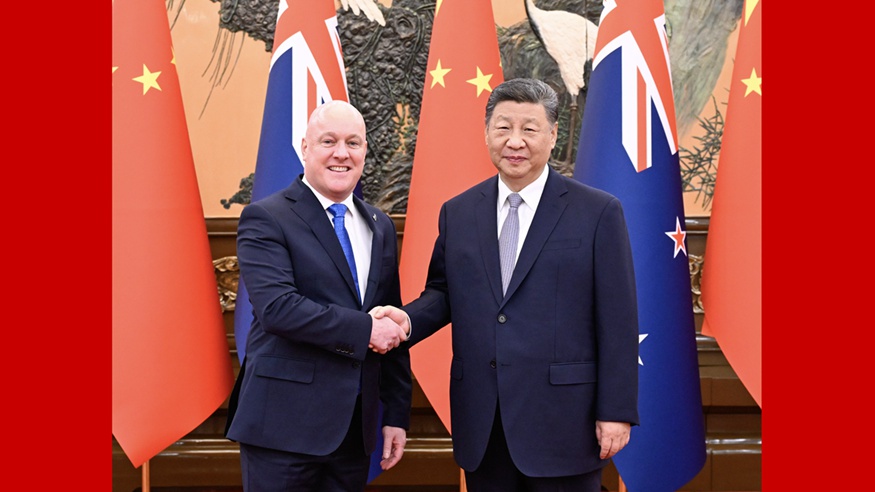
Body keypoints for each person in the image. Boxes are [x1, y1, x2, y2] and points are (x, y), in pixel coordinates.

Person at [374, 78, 639, 491]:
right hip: (484, 421)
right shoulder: (459, 212)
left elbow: (617, 318)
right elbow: (444, 292)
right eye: (503, 128)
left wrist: (616, 410)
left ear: (553, 135)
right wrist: (406, 321)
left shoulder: (597, 212)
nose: (515, 141)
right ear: (486, 134)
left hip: (565, 421)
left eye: (529, 129)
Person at [225, 100, 412, 491]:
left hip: (353, 432)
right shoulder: (266, 217)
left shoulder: (379, 225)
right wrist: (366, 330)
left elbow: (388, 317)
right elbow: (278, 309)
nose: (341, 153)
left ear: (364, 151)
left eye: (353, 143)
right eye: (329, 141)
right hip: (282, 428)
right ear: (305, 148)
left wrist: (396, 413)